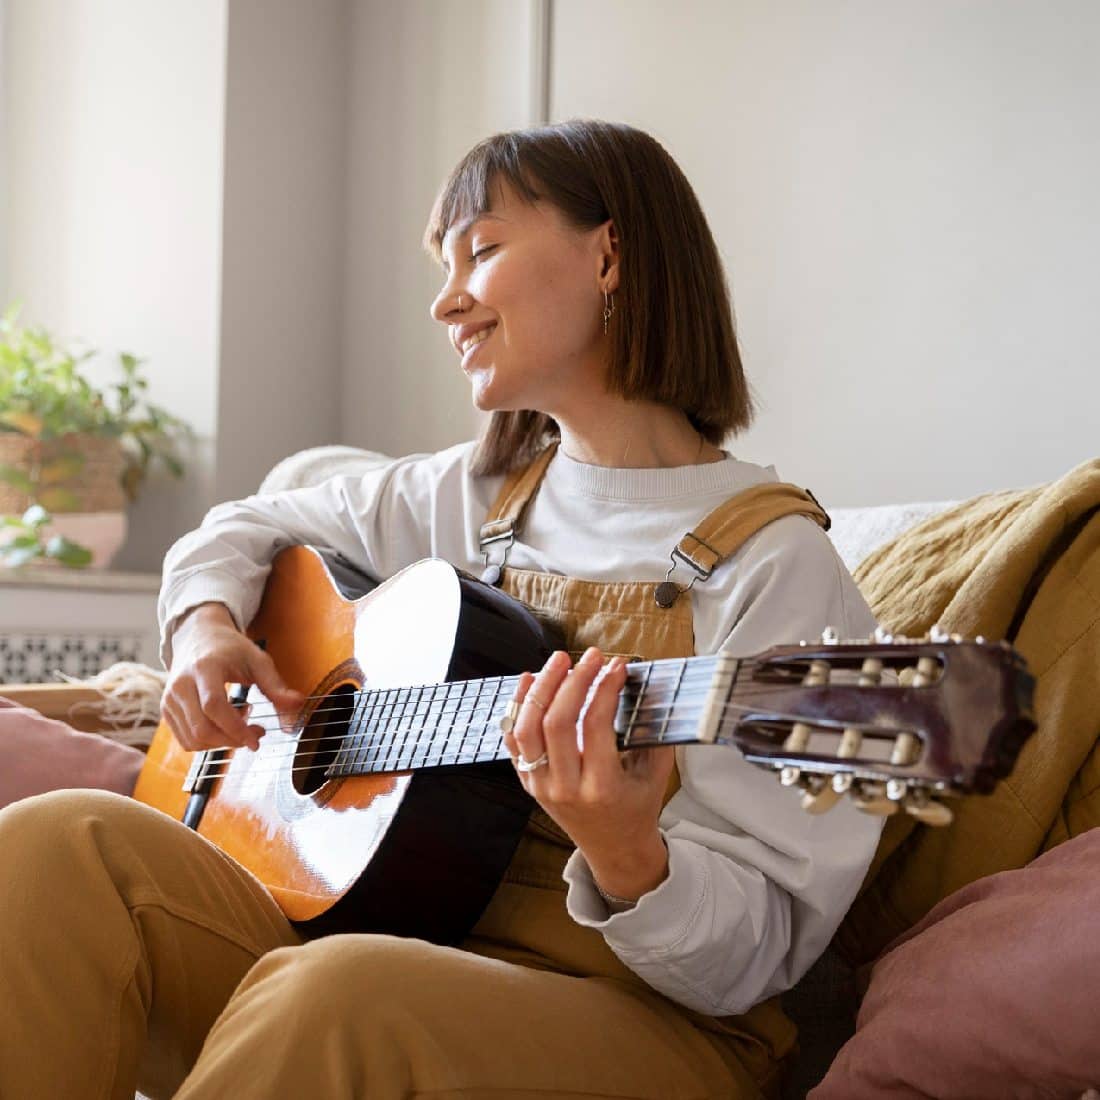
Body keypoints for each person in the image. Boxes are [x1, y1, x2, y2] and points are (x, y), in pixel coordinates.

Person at [0, 119, 881, 1099]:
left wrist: (629, 849)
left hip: (652, 1022)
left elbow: (746, 964)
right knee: (53, 841)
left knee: (329, 993)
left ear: (608, 251)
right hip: (409, 934)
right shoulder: (470, 493)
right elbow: (238, 528)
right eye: (444, 262)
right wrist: (204, 624)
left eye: (483, 249)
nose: (444, 299)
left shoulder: (776, 566)